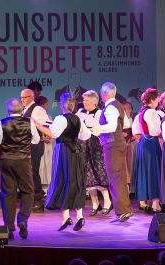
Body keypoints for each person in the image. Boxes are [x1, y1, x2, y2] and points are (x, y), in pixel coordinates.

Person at [0, 98, 44, 239]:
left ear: (8, 110)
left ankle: (8, 227)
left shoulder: (2, 123)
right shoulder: (29, 122)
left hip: (7, 161)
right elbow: (36, 140)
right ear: (21, 109)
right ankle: (22, 220)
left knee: (8, 194)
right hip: (23, 161)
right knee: (28, 191)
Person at [45, 93, 92, 231]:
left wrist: (38, 125)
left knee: (63, 180)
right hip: (76, 152)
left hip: (64, 152)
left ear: (62, 106)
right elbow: (86, 135)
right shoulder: (77, 119)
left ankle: (66, 217)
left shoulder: (60, 118)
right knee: (76, 182)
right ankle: (79, 217)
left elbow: (53, 134)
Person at [97, 82, 134, 222]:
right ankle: (125, 210)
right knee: (120, 177)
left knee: (115, 177)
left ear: (105, 93)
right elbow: (126, 124)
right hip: (118, 144)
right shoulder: (118, 104)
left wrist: (98, 128)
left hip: (112, 145)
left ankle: (123, 211)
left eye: (101, 92)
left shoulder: (110, 107)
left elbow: (112, 126)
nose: (101, 95)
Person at [77, 90, 113, 216]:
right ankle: (95, 204)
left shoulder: (99, 113)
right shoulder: (80, 112)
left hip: (95, 146)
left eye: (86, 100)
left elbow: (100, 129)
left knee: (99, 174)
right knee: (88, 175)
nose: (84, 102)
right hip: (84, 145)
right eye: (84, 100)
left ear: (93, 101)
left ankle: (107, 202)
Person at [131, 88, 162, 214]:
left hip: (145, 141)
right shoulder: (152, 112)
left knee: (148, 171)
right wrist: (163, 131)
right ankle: (155, 204)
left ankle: (149, 202)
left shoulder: (142, 111)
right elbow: (154, 130)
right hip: (151, 142)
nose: (158, 101)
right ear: (153, 99)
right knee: (154, 171)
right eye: (158, 99)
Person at [20, 88, 51, 212]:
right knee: (28, 173)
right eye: (21, 98)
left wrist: (45, 134)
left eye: (25, 97)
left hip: (35, 144)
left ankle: (39, 199)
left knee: (32, 171)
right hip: (27, 145)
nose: (23, 100)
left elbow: (47, 124)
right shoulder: (24, 110)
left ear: (32, 97)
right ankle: (32, 199)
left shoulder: (37, 109)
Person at [35, 95, 55, 199]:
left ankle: (48, 189)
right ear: (42, 105)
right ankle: (42, 189)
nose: (47, 106)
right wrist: (44, 138)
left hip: (49, 146)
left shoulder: (48, 118)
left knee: (48, 165)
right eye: (46, 104)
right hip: (41, 145)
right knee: (41, 166)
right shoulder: (36, 118)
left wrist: (50, 137)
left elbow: (51, 131)